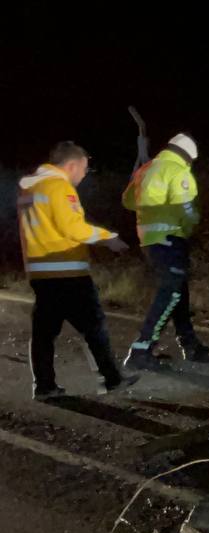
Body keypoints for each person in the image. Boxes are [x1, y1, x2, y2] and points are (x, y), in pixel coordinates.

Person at [17, 141, 136, 399]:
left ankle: (44, 386)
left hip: (40, 271)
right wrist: (108, 238)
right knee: (93, 327)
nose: (83, 175)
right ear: (71, 165)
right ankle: (112, 379)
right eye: (83, 169)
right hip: (68, 271)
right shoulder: (59, 187)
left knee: (44, 333)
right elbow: (73, 228)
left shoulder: (30, 188)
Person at [122, 133, 209, 369]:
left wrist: (138, 176)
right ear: (187, 157)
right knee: (171, 293)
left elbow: (128, 201)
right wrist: (192, 225)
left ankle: (190, 343)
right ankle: (141, 349)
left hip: (149, 242)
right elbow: (187, 212)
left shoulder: (147, 169)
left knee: (178, 290)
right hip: (170, 239)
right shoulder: (179, 172)